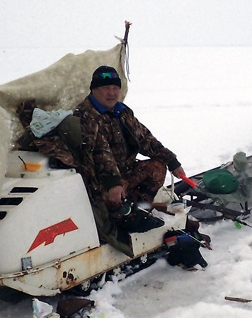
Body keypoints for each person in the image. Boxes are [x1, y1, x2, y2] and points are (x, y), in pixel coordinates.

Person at [77, 65, 190, 246]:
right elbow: (100, 152)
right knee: (111, 191)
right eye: (106, 88)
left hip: (123, 172)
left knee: (157, 166)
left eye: (115, 88)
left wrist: (172, 161)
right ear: (94, 90)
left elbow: (146, 139)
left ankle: (137, 208)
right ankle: (120, 217)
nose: (111, 93)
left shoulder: (122, 112)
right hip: (99, 180)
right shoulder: (86, 116)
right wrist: (113, 182)